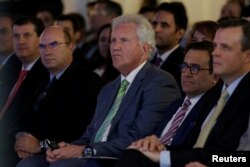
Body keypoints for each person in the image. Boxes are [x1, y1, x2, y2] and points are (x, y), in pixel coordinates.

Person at [17, 14, 181, 167]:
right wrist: (66, 148)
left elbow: (138, 139)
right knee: (29, 163)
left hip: (119, 161)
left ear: (145, 48)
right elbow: (90, 135)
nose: (115, 47)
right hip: (91, 156)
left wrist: (84, 151)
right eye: (113, 40)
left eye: (123, 41)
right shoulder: (109, 87)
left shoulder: (159, 82)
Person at [115, 18, 250, 167]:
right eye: (215, 46)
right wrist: (162, 148)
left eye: (225, 47)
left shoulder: (237, 94)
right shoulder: (224, 94)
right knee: (134, 154)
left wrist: (166, 156)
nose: (215, 53)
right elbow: (213, 151)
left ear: (248, 55)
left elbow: (239, 157)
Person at [114, 41, 221, 167]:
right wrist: (152, 141)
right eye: (185, 66)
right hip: (151, 160)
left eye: (195, 68)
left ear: (215, 77)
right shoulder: (175, 105)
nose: (186, 73)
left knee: (131, 156)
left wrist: (162, 150)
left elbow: (198, 152)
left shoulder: (212, 109)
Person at [15, 25, 102, 166]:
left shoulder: (88, 81)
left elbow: (80, 130)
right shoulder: (37, 77)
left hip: (70, 152)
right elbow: (21, 114)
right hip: (34, 151)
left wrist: (41, 145)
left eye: (54, 44)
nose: (47, 51)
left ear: (71, 47)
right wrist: (21, 137)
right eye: (42, 46)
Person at [0, 16, 48, 167]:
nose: (20, 41)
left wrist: (18, 134)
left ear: (40, 39)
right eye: (16, 36)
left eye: (27, 36)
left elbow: (31, 118)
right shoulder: (11, 66)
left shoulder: (46, 72)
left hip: (15, 141)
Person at [150, 2, 188, 91]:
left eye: (164, 25)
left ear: (179, 33)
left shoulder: (185, 64)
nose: (156, 29)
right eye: (154, 24)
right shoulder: (148, 61)